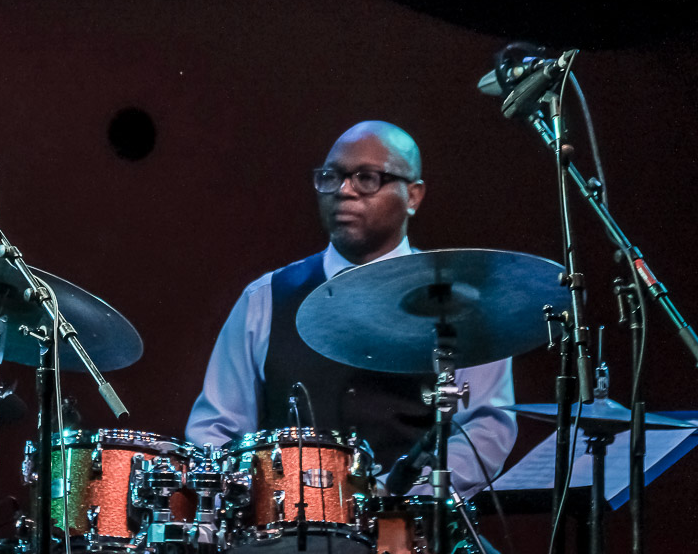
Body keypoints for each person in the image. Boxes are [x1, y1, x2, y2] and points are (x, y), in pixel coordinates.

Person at [186, 121, 516, 497]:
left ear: (413, 196)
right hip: (290, 531)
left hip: (412, 527)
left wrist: (406, 496)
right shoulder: (265, 298)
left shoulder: (458, 302)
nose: (344, 191)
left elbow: (486, 427)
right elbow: (214, 430)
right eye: (331, 177)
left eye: (366, 178)